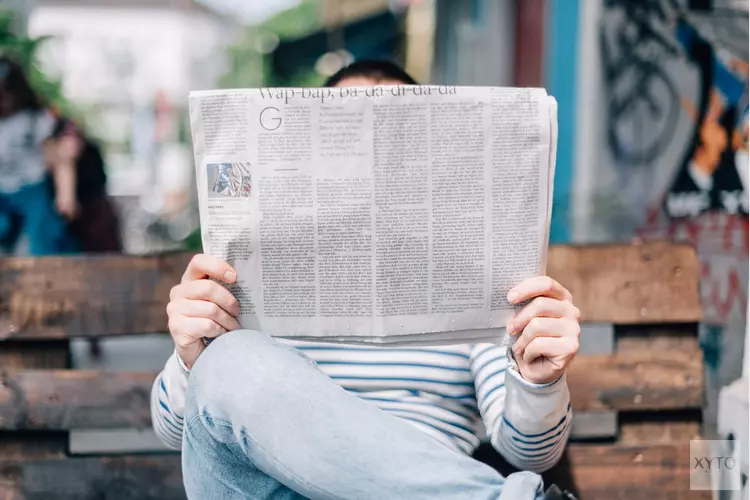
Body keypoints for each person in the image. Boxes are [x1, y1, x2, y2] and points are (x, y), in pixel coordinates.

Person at [152, 60, 580, 500]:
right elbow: (176, 432)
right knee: (230, 359)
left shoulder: (475, 278)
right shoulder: (246, 272)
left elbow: (530, 453)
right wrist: (191, 357)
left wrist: (539, 381)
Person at [0, 56, 78, 255]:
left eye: (8, 90)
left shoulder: (35, 119)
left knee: (40, 237)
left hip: (31, 188)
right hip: (2, 191)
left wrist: (65, 195)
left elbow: (60, 157)